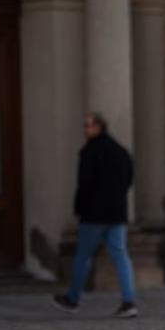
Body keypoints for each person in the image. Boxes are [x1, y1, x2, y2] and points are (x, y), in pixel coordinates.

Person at [52, 113, 138, 318]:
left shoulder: (89, 152)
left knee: (83, 257)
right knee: (121, 257)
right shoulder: (121, 151)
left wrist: (79, 209)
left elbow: (84, 184)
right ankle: (129, 302)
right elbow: (129, 179)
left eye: (88, 126)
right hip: (116, 213)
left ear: (99, 127)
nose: (85, 130)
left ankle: (73, 299)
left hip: (94, 214)